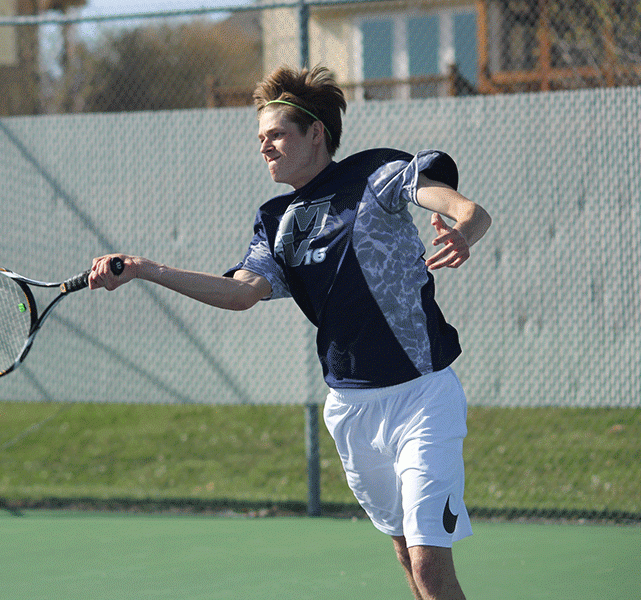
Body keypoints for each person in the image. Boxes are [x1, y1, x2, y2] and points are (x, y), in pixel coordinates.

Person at [88, 65, 491, 600]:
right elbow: (241, 293)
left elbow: (469, 210)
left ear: (315, 133)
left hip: (423, 397)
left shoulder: (378, 174)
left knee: (430, 564)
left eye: (276, 134)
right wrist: (143, 268)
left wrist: (463, 231)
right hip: (351, 407)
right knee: (405, 554)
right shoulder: (276, 219)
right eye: (261, 139)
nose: (266, 147)